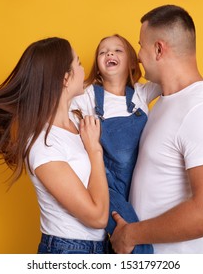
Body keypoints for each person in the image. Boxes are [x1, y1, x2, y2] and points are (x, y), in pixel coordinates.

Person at [0, 37, 109, 254]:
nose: (84, 70)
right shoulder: (43, 145)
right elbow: (97, 217)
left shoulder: (75, 118)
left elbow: (39, 97)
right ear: (65, 78)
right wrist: (94, 150)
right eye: (78, 63)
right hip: (70, 251)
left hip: (100, 247)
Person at [110, 5, 203, 254]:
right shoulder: (164, 102)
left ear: (158, 49)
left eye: (140, 45)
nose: (137, 55)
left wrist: (131, 235)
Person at [71, 34, 160, 253]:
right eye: (103, 52)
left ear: (131, 62)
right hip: (106, 189)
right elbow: (48, 102)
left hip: (139, 188)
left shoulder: (141, 93)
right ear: (98, 67)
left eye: (118, 50)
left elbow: (174, 75)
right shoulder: (88, 95)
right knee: (140, 249)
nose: (109, 53)